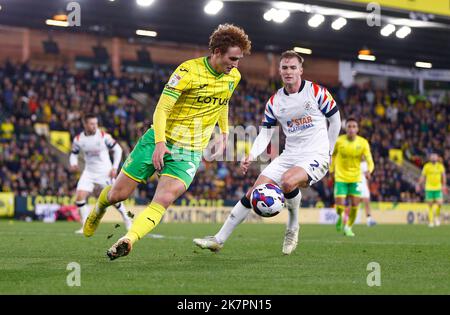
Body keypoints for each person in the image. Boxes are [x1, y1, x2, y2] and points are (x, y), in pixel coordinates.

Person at [83, 24, 252, 260]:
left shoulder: (233, 76)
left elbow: (223, 102)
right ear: (216, 52)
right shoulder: (187, 71)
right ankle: (99, 208)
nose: (235, 64)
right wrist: (160, 143)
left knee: (164, 198)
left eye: (239, 59)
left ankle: (128, 239)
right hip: (159, 138)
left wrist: (224, 132)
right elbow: (162, 109)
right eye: (232, 58)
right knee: (117, 196)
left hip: (190, 150)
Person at [193, 50, 341, 255]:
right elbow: (265, 133)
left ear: (300, 70)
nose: (288, 71)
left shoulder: (316, 92)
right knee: (252, 193)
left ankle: (292, 227)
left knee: (288, 182)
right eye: (284, 68)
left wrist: (329, 151)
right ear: (279, 71)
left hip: (316, 154)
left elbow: (335, 120)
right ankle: (218, 239)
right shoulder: (274, 101)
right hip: (290, 154)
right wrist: (252, 155)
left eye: (292, 68)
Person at [69, 114, 131, 234]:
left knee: (114, 200)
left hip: (105, 172)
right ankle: (85, 226)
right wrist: (73, 163)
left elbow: (118, 149)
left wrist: (114, 167)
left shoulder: (103, 136)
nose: (94, 126)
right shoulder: (78, 139)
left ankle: (127, 219)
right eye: (92, 124)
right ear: (85, 124)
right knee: (80, 197)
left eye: (96, 123)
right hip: (89, 172)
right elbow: (74, 153)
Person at [330, 118, 374, 237]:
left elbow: (369, 159)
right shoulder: (339, 141)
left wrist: (369, 170)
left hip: (356, 178)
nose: (351, 129)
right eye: (349, 126)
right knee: (339, 206)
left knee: (355, 205)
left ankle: (348, 227)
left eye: (354, 126)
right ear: (346, 128)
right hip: (341, 178)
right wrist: (331, 169)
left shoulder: (363, 143)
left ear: (357, 129)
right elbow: (333, 156)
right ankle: (340, 216)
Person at [416, 153, 447, 227]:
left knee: (440, 203)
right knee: (430, 205)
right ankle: (431, 221)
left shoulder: (440, 166)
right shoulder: (427, 166)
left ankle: (436, 217)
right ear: (430, 158)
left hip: (438, 188)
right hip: (429, 188)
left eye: (435, 157)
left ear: (437, 158)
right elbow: (423, 176)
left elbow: (444, 176)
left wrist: (444, 185)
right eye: (432, 157)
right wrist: (418, 184)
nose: (433, 158)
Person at [360, 160, 376, 226]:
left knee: (366, 203)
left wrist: (367, 186)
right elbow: (368, 176)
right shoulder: (363, 164)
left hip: (363, 185)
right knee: (355, 203)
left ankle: (369, 220)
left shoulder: (363, 163)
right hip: (359, 184)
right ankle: (344, 217)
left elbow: (367, 178)